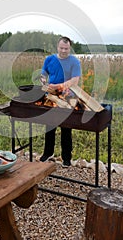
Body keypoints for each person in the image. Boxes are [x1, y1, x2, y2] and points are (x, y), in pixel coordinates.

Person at [39, 36, 81, 167]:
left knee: (66, 127)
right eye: (61, 48)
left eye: (66, 48)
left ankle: (66, 158)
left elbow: (75, 80)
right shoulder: (49, 59)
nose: (64, 51)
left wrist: (59, 86)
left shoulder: (74, 61)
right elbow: (43, 74)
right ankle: (47, 153)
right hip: (51, 96)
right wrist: (43, 80)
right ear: (57, 47)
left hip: (67, 96)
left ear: (70, 48)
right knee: (49, 125)